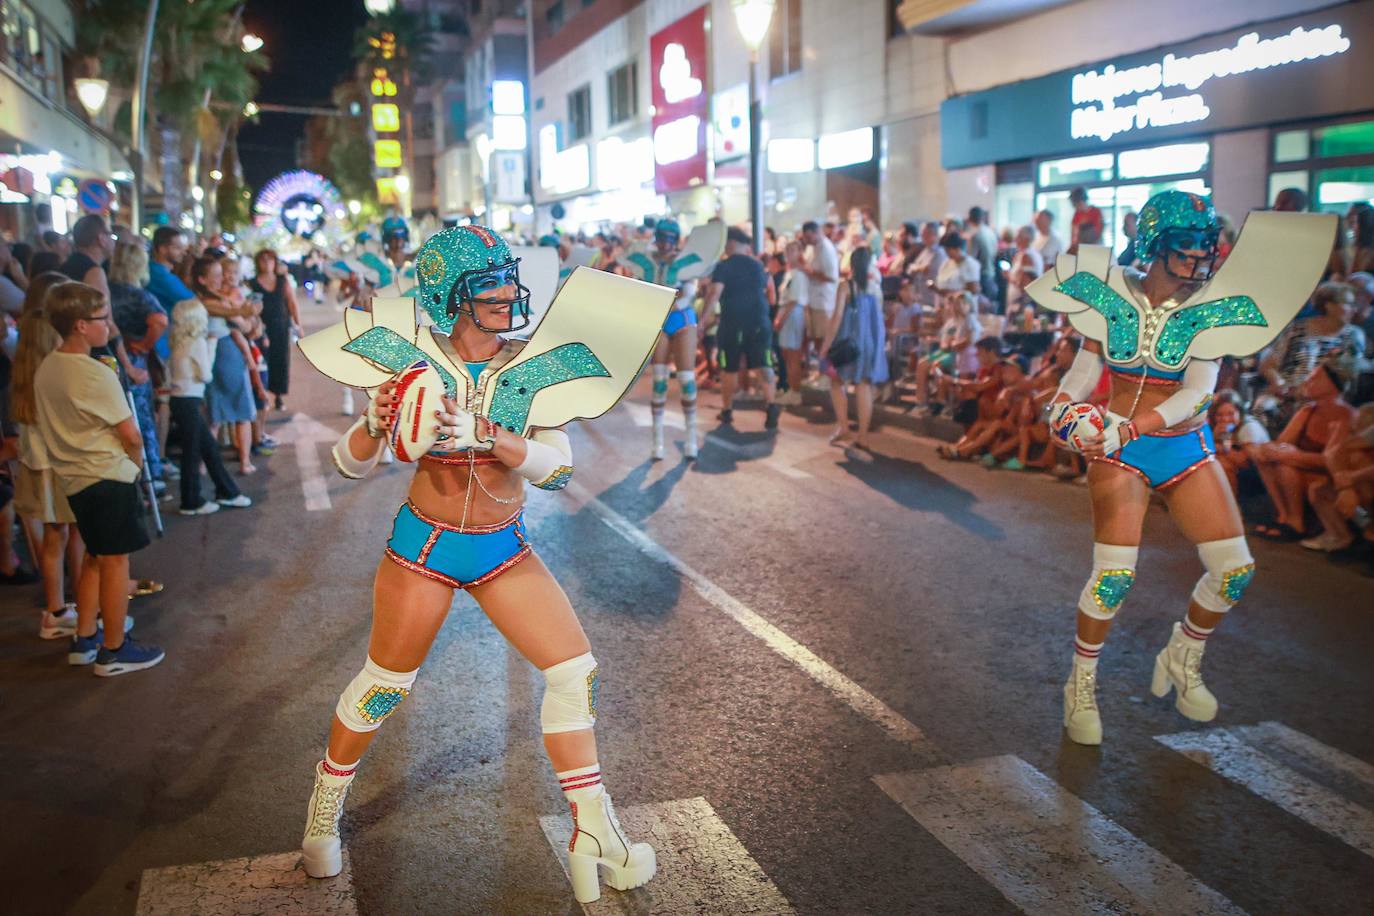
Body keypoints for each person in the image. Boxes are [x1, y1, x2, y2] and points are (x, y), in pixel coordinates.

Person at [293, 226, 660, 904]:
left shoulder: (531, 366)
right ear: (449, 297)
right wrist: (376, 423)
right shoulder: (407, 363)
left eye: (506, 279)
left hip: (502, 548)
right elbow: (348, 463)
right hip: (424, 550)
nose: (507, 294)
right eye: (487, 283)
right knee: (384, 685)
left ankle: (593, 832)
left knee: (574, 673)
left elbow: (558, 471)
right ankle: (324, 808)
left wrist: (495, 438)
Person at [1030, 189, 1335, 746]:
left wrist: (1131, 426)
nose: (1201, 258)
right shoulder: (1108, 289)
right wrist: (1062, 410)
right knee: (1114, 578)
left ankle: (1182, 654)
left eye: (1206, 246)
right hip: (1117, 450)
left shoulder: (1213, 308)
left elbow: (1198, 393)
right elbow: (1083, 368)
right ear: (1156, 245)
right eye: (1188, 247)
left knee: (1233, 570)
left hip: (1181, 447)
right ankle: (1080, 684)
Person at [33, 283, 163, 676]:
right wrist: (135, 466)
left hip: (74, 477)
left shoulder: (49, 366)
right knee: (114, 561)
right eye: (100, 319)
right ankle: (114, 648)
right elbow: (132, 436)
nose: (108, 325)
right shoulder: (93, 373)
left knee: (95, 556)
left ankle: (86, 636)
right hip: (106, 474)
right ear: (79, 326)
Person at [10, 274, 84, 638]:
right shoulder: (56, 351)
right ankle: (80, 609)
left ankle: (57, 608)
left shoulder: (24, 344)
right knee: (77, 535)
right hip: (60, 458)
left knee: (56, 536)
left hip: (35, 457)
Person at [621, 218, 715, 461]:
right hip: (658, 321)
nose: (664, 244)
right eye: (661, 238)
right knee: (660, 380)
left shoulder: (687, 261)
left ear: (675, 240)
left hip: (682, 319)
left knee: (686, 378)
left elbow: (689, 294)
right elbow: (639, 286)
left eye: (669, 239)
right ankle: (657, 442)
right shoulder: (646, 261)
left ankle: (691, 438)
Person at [167, 278, 251, 516]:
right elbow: (205, 374)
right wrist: (212, 346)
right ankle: (191, 500)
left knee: (206, 450)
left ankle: (226, 491)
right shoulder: (196, 344)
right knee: (194, 452)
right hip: (190, 400)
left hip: (180, 399)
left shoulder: (178, 342)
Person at [1253, 357, 1355, 546]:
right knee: (1264, 454)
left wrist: (1290, 455)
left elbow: (1333, 461)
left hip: (1330, 478)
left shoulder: (1346, 416)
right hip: (1300, 470)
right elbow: (1282, 443)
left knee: (1285, 464)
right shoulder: (1308, 411)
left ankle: (1296, 521)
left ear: (1333, 385)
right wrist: (1276, 451)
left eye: (1315, 378)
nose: (1307, 381)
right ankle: (1283, 515)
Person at [703, 227, 782, 430]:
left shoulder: (724, 266)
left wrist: (702, 320)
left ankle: (727, 411)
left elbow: (714, 295)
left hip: (733, 323)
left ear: (730, 243)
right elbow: (770, 291)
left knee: (729, 367)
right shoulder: (757, 266)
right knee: (764, 363)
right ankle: (772, 405)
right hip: (759, 322)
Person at [107, 242, 168, 490]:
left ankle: (132, 476)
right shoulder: (138, 294)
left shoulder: (107, 291)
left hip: (107, 359)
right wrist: (144, 345)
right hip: (132, 358)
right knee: (141, 417)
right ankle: (150, 477)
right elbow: (160, 320)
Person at [193, 256, 260, 474]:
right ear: (203, 279)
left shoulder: (216, 297)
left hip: (211, 353)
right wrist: (245, 316)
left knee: (214, 414)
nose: (223, 279)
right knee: (239, 411)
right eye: (218, 275)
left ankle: (206, 464)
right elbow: (243, 323)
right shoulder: (212, 300)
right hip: (224, 352)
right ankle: (243, 462)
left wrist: (248, 320)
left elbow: (248, 325)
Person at [820, 245, 888, 450]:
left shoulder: (846, 287)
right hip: (870, 342)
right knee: (863, 385)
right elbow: (879, 317)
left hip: (847, 341)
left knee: (835, 381)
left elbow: (837, 317)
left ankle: (844, 427)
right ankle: (863, 436)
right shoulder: (875, 287)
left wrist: (825, 346)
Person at [250, 249, 303, 411]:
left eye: (270, 259)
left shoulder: (282, 281)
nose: (266, 263)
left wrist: (298, 325)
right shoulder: (252, 283)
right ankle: (262, 393)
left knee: (280, 361)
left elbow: (292, 303)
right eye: (263, 260)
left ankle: (278, 396)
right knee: (263, 361)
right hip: (261, 329)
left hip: (280, 327)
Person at [1209, 390, 1270, 497]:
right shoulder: (1219, 428)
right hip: (1241, 470)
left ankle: (1231, 507)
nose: (1225, 419)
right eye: (1219, 415)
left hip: (1262, 474)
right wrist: (1215, 438)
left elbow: (1244, 462)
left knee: (1223, 464)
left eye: (1231, 414)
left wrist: (1217, 446)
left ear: (1240, 413)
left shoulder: (1248, 427)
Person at [773, 241, 809, 407]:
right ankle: (790, 388)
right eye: (787, 251)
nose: (789, 254)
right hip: (785, 312)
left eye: (792, 251)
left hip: (792, 314)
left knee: (793, 356)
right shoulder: (790, 273)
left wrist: (781, 318)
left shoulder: (799, 275)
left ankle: (795, 391)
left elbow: (794, 300)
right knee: (787, 355)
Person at [801, 220, 840, 368]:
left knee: (824, 338)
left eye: (809, 237)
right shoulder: (812, 248)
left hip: (824, 300)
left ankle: (827, 370)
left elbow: (831, 277)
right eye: (806, 238)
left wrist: (810, 272)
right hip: (813, 298)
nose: (807, 241)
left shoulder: (826, 249)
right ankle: (821, 368)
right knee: (816, 337)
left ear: (817, 233)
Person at [1004, 226, 1044, 316]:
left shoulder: (1027, 256)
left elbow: (1025, 284)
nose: (1015, 239)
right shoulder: (1024, 254)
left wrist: (1009, 277)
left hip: (1021, 303)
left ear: (1026, 239)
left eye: (1018, 237)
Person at [965, 206, 999, 301]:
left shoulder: (975, 235)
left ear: (969, 218)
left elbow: (971, 260)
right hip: (992, 274)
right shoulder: (991, 232)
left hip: (981, 276)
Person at [1068, 187, 1104, 253]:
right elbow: (1074, 234)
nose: (1075, 207)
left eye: (1075, 204)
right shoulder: (1077, 214)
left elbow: (1098, 232)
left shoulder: (1096, 212)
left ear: (1081, 201)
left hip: (1095, 248)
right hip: (1081, 248)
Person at [0, 240, 28, 316]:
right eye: (6, 246)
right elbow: (33, 306)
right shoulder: (2, 284)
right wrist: (20, 278)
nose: (10, 249)